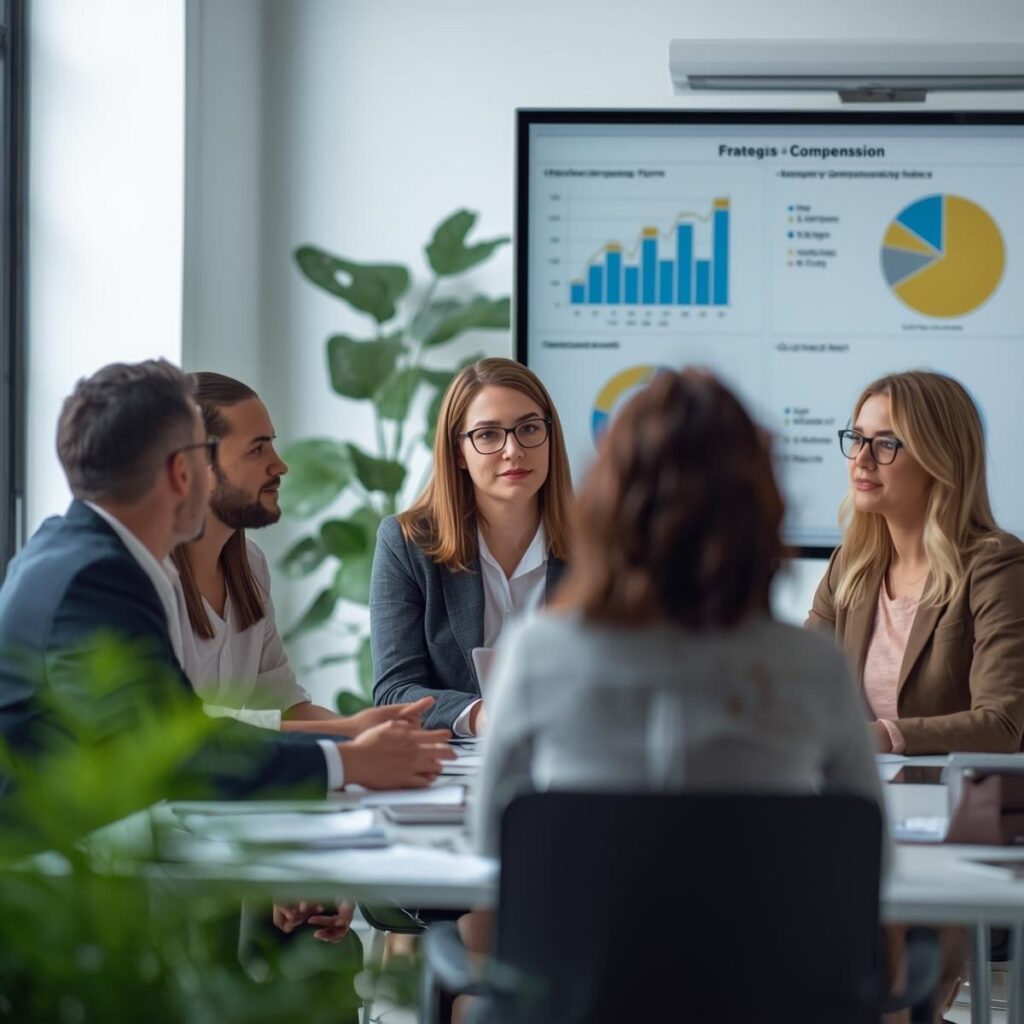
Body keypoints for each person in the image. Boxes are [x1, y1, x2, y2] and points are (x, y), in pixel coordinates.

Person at [0, 360, 452, 802]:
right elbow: (178, 752)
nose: (280, 466)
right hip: (45, 864)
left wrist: (348, 747)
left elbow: (184, 731)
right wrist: (349, 761)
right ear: (182, 472)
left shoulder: (84, 555)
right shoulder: (98, 577)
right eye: (203, 454)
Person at [473, 367, 883, 854]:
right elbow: (868, 861)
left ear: (607, 502)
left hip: (581, 932)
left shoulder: (536, 655)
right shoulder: (814, 667)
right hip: (756, 932)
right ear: (760, 508)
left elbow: (490, 851)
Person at [170, 371, 433, 737]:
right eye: (257, 449)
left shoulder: (250, 564)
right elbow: (175, 726)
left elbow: (282, 704)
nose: (280, 466)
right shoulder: (144, 576)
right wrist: (351, 738)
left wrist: (363, 730)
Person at [806, 370, 1024, 754]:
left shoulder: (996, 566)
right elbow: (797, 684)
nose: (861, 459)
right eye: (856, 439)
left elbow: (1002, 724)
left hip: (953, 800)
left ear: (939, 458)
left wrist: (879, 737)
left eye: (886, 444)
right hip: (864, 794)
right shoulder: (850, 566)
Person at [370, 357, 573, 734]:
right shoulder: (407, 544)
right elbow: (394, 692)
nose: (513, 450)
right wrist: (484, 716)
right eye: (488, 435)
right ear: (458, 452)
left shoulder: (596, 543)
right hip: (455, 767)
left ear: (550, 435)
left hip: (574, 756)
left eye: (528, 428)